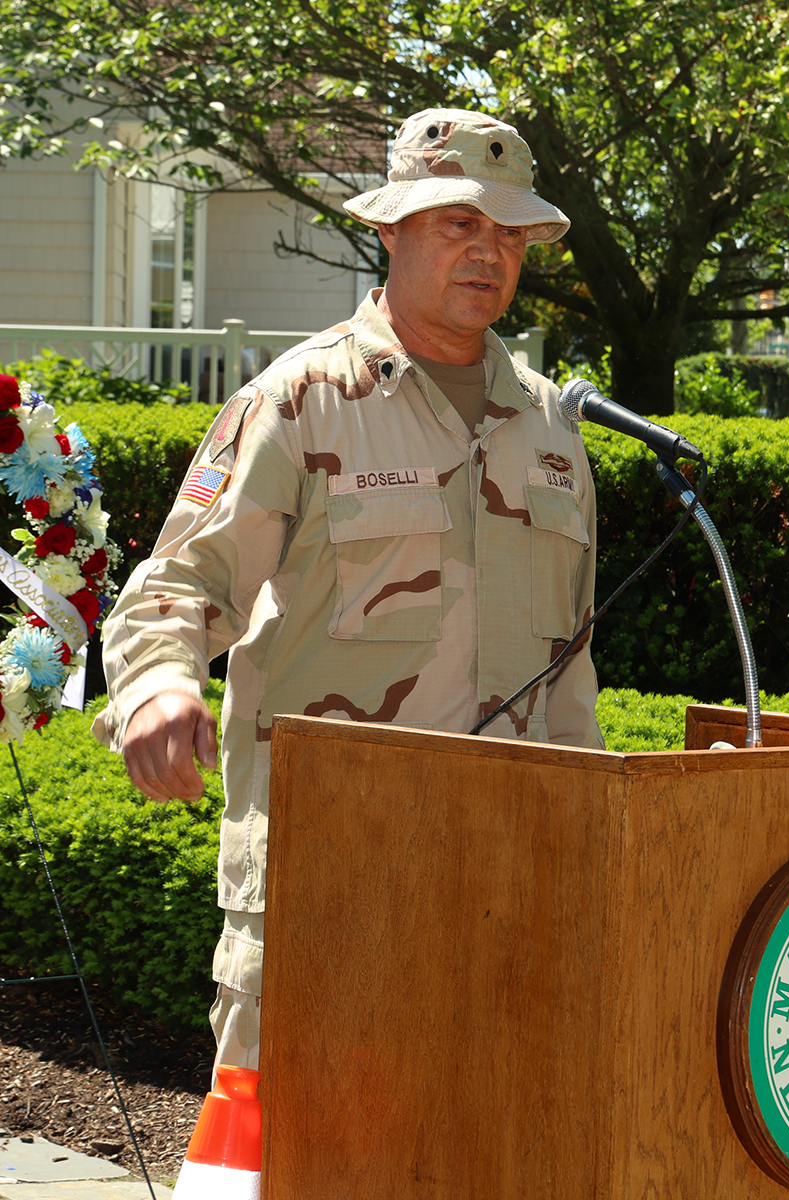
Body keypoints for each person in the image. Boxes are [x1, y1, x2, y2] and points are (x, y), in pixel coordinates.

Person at [93, 108, 603, 1071]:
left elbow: (567, 674)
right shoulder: (300, 400)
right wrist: (161, 690)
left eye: (508, 234)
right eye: (459, 223)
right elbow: (178, 585)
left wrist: (594, 840)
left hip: (508, 884)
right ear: (392, 228)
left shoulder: (552, 432)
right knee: (286, 1158)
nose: (487, 252)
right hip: (327, 881)